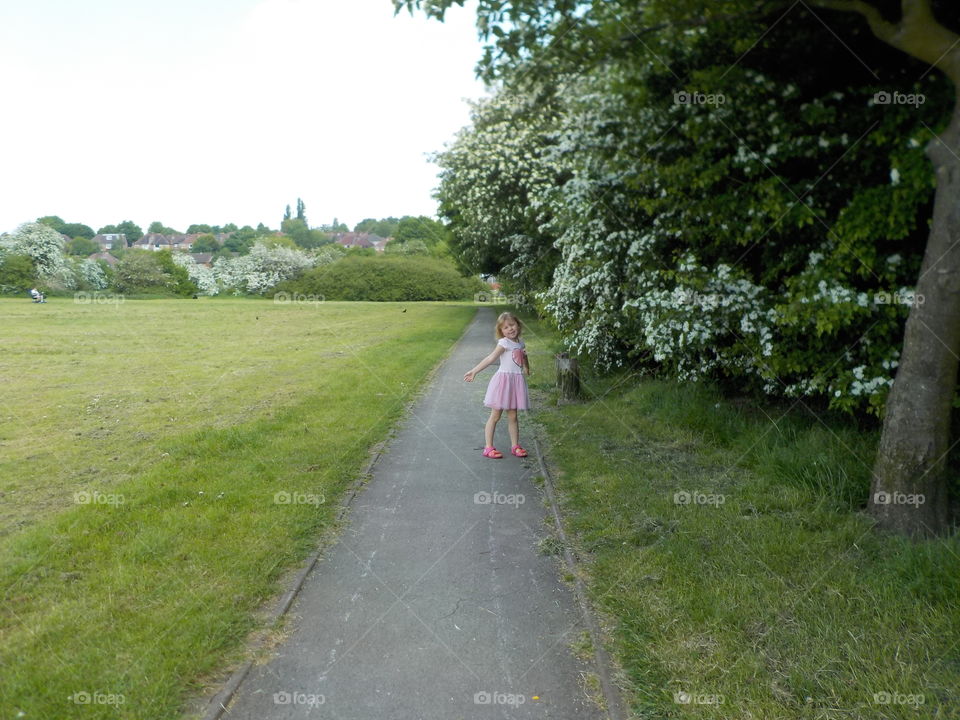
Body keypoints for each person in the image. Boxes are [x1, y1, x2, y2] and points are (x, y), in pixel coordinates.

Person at [464, 311, 531, 459]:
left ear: (518, 326)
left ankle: (515, 446)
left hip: (516, 382)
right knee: (495, 415)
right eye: (506, 327)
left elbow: (523, 356)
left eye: (512, 325)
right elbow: (490, 358)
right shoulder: (504, 343)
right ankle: (488, 447)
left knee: (513, 416)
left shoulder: (520, 342)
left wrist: (526, 367)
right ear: (501, 331)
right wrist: (475, 371)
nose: (510, 329)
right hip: (503, 383)